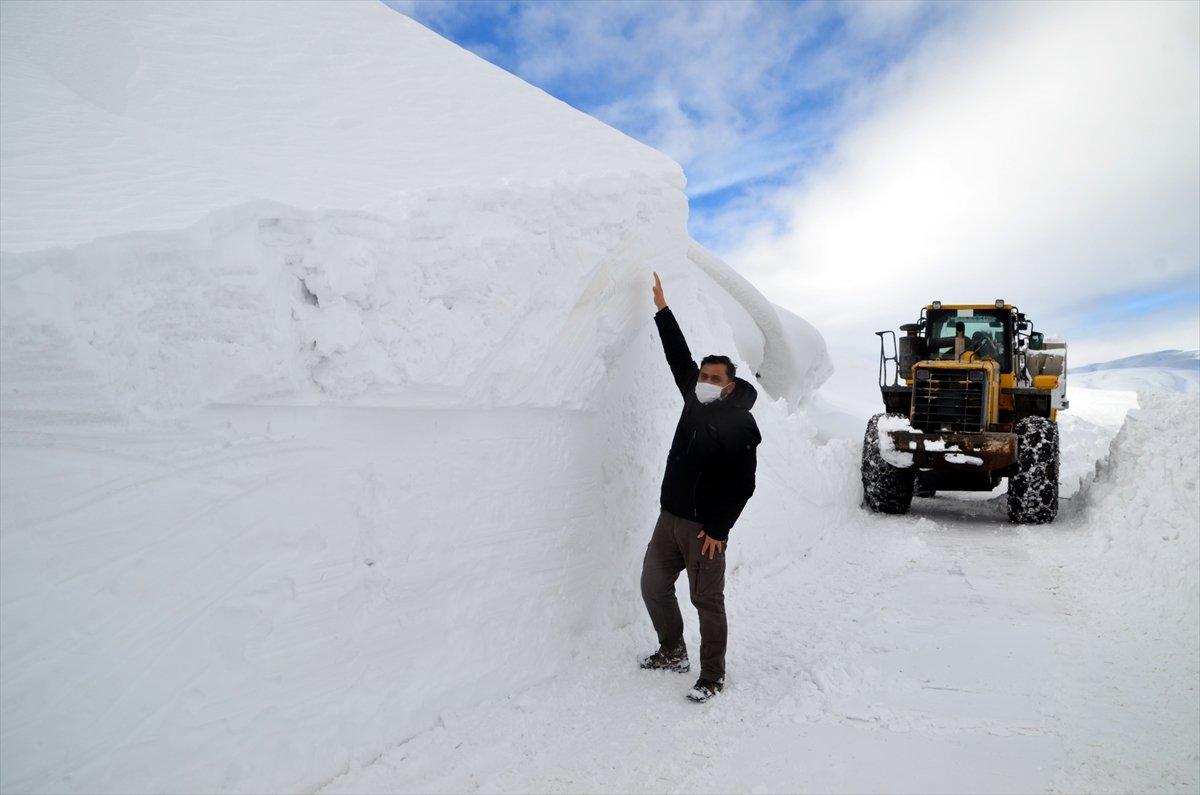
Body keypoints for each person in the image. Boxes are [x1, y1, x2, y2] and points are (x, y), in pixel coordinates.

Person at [639, 271, 762, 703]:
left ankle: (712, 674)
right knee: (653, 586)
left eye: (715, 378)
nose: (706, 382)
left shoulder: (738, 423)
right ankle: (672, 650)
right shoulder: (693, 399)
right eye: (704, 376)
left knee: (706, 602)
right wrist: (662, 310)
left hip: (703, 531)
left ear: (730, 384)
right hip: (669, 517)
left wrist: (718, 529)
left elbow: (742, 483)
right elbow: (678, 357)